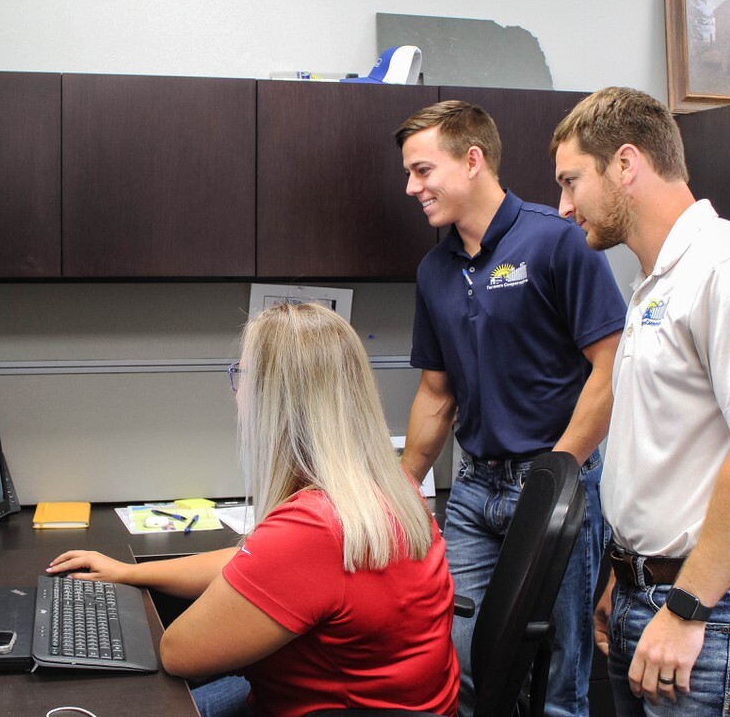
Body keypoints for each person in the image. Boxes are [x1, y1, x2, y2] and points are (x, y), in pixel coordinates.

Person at [49, 302, 460, 717]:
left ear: (274, 397)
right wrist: (130, 573)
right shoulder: (390, 488)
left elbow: (178, 653)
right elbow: (260, 568)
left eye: (241, 376)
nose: (237, 392)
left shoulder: (313, 528)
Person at [550, 86, 730, 715]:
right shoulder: (654, 284)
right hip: (649, 598)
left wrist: (685, 606)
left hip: (717, 619)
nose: (563, 205)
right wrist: (626, 572)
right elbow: (666, 451)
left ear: (626, 164)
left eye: (573, 181)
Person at [395, 100, 626, 717]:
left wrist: (558, 475)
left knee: (558, 681)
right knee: (461, 670)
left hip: (555, 484)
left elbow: (612, 365)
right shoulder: (434, 269)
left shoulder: (556, 241)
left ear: (472, 160)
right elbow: (437, 394)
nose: (411, 187)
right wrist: (399, 489)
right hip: (474, 490)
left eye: (422, 170)